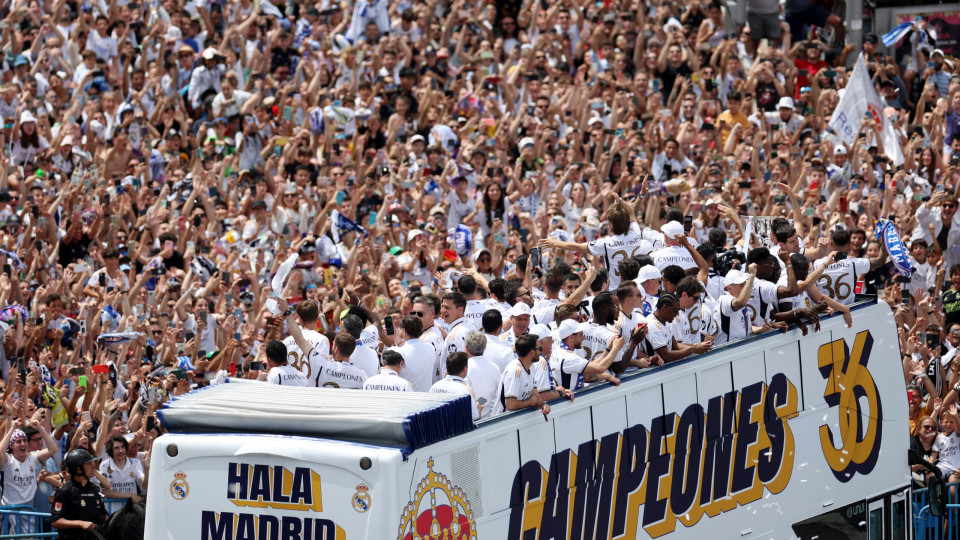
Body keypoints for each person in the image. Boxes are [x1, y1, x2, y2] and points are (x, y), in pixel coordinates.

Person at [51, 449, 109, 538]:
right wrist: (80, 523)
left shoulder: (94, 489)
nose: (93, 465)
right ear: (79, 469)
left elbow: (104, 516)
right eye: (88, 463)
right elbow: (56, 521)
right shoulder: (65, 490)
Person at [490, 334, 551, 418]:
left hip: (518, 419)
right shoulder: (515, 371)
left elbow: (535, 395)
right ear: (532, 352)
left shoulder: (531, 367)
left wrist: (543, 405)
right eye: (540, 349)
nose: (541, 352)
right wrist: (531, 402)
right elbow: (510, 405)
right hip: (504, 421)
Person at [389, 315, 436, 392]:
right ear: (421, 330)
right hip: (427, 400)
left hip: (407, 400)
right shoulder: (430, 348)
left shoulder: (396, 351)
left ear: (404, 331)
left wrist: (396, 338)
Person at [430, 352, 481, 421]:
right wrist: (479, 410)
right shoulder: (464, 391)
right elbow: (474, 418)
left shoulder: (434, 387)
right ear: (464, 369)